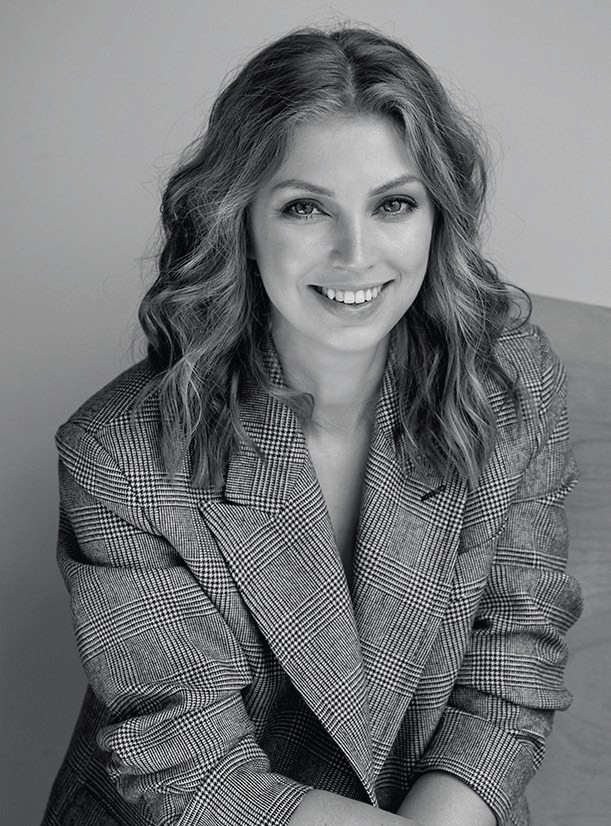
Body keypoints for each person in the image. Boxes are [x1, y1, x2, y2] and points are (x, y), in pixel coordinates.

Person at [42, 24, 582, 826]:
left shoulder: (508, 382)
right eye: (305, 208)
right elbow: (194, 772)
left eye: (392, 204)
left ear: (436, 218)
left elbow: (510, 669)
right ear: (240, 225)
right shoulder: (119, 455)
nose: (355, 253)